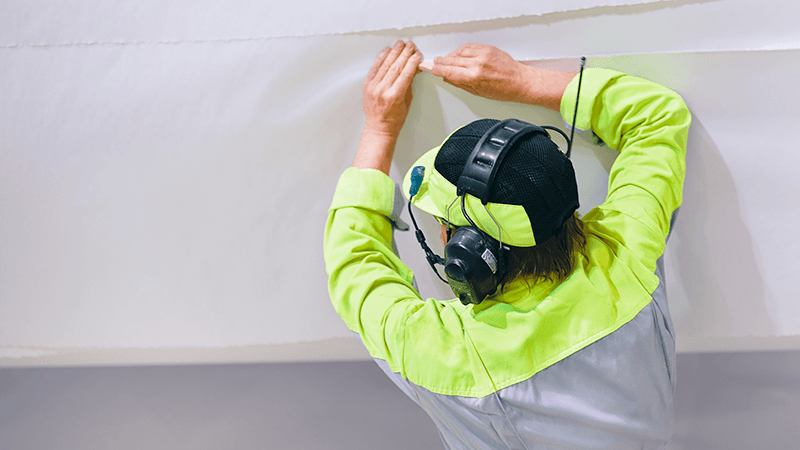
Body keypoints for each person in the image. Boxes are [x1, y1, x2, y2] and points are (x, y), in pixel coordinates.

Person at [324, 40, 690, 449]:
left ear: (465, 251)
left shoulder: (448, 353)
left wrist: (380, 128)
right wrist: (524, 81)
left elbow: (355, 262)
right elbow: (657, 117)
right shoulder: (627, 257)